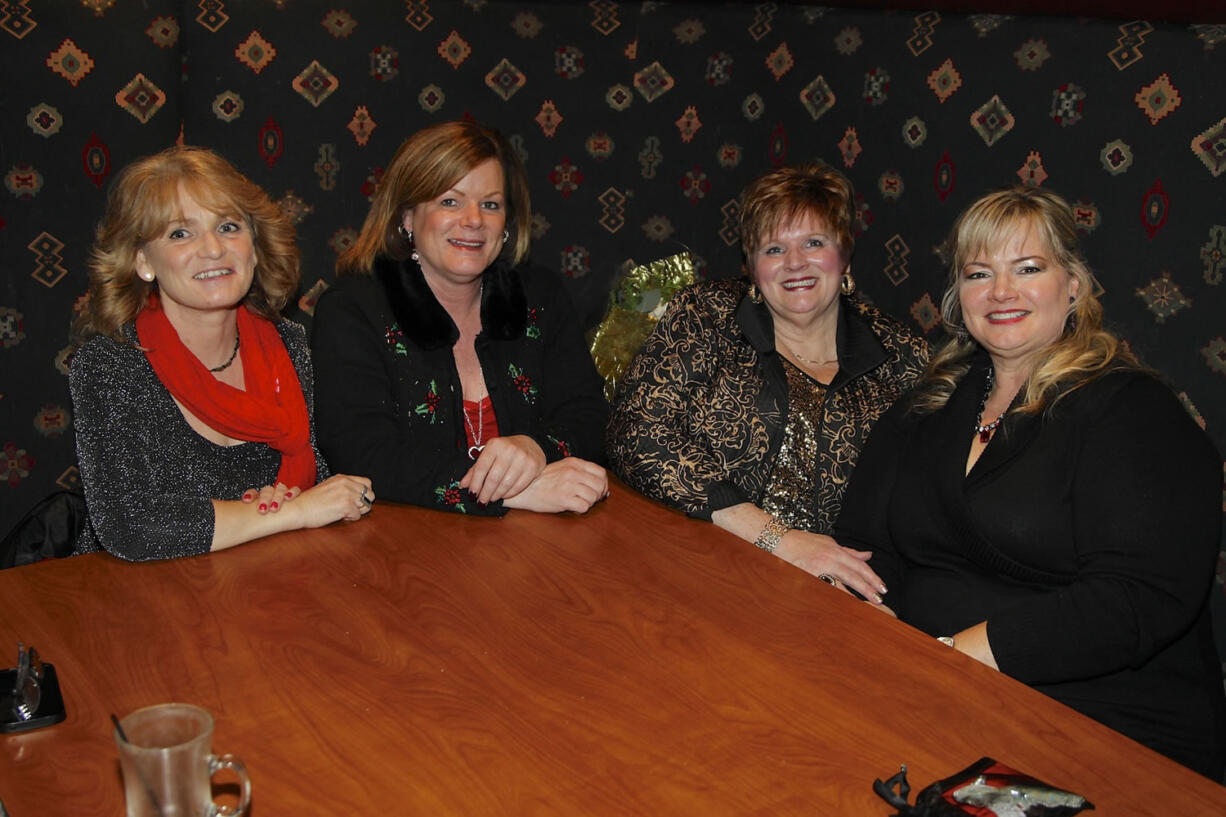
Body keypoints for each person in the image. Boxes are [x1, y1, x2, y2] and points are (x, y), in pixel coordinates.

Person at [833, 186, 1226, 778]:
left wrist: (951, 658)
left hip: (1098, 719)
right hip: (929, 688)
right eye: (978, 273)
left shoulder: (1132, 411)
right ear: (957, 296)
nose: (1001, 292)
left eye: (1028, 268)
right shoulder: (929, 406)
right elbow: (867, 542)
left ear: (1073, 285)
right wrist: (869, 621)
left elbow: (1136, 599)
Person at [607, 161, 929, 600]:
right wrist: (776, 538)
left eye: (814, 243)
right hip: (695, 564)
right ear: (751, 266)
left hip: (835, 595)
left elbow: (921, 504)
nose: (795, 263)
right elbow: (636, 432)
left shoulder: (904, 357)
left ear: (845, 255)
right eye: (773, 249)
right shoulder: (706, 316)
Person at [70, 146, 373, 562]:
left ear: (255, 244)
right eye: (180, 233)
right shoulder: (111, 364)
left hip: (269, 577)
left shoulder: (289, 344)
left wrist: (283, 504)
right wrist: (292, 511)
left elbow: (321, 478)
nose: (213, 249)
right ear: (143, 261)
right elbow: (133, 526)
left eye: (229, 227)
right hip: (139, 599)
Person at [311, 121, 608, 515]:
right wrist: (512, 492)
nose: (473, 220)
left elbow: (588, 416)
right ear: (407, 216)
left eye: (491, 204)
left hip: (537, 549)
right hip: (402, 551)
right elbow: (363, 454)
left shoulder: (541, 297)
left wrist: (538, 449)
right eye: (450, 201)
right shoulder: (352, 309)